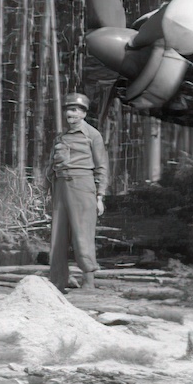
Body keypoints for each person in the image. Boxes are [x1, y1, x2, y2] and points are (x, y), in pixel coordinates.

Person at [48, 92, 107, 291]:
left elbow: (101, 167)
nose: (70, 114)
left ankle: (88, 282)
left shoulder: (93, 135)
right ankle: (57, 281)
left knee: (83, 233)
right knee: (58, 235)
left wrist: (100, 196)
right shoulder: (61, 137)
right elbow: (50, 166)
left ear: (83, 113)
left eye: (75, 110)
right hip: (61, 187)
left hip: (83, 186)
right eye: (68, 109)